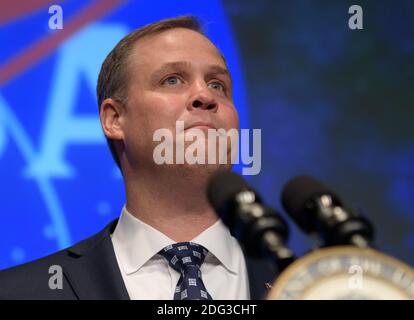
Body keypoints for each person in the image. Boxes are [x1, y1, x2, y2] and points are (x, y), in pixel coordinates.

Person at [0, 15, 277, 300]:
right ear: (114, 119)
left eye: (218, 85)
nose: (205, 95)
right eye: (172, 80)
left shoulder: (306, 283)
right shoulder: (20, 292)